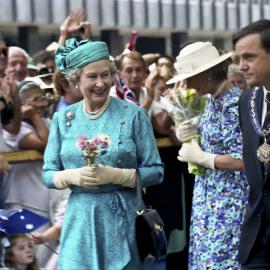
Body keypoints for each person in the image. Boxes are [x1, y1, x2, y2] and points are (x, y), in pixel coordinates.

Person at [42, 38, 164, 270]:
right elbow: (48, 174)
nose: (101, 83)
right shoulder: (63, 119)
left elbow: (156, 172)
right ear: (76, 80)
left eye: (106, 75)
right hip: (79, 220)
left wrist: (117, 176)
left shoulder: (134, 115)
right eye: (91, 76)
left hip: (124, 219)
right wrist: (70, 177)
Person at [168, 41, 249, 269]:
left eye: (189, 77)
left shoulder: (232, 104)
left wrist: (203, 157)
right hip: (209, 198)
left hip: (228, 201)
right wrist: (191, 134)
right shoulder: (213, 101)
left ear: (206, 74)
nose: (185, 84)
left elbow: (241, 160)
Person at [232, 19, 270, 269]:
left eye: (249, 57)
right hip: (258, 234)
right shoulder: (247, 100)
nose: (241, 67)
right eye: (238, 58)